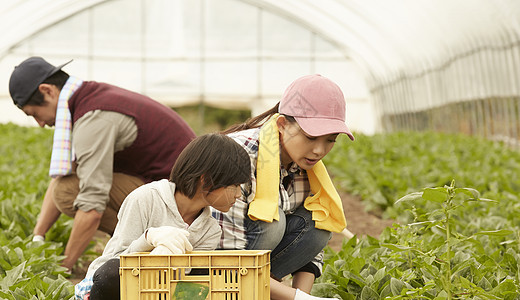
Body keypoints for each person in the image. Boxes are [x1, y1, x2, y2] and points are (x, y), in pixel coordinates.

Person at [8, 56, 196, 271]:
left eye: (35, 114)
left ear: (48, 91)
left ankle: (143, 245)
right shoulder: (87, 98)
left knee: (68, 192)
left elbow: (92, 206)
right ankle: (139, 242)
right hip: (170, 190)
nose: (40, 124)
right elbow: (65, 172)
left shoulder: (93, 118)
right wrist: (37, 237)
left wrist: (62, 271)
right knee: (69, 184)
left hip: (181, 204)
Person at [213, 74, 354, 300]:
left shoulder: (308, 167)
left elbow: (311, 249)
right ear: (282, 124)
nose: (319, 150)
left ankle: (259, 292)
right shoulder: (237, 157)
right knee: (272, 221)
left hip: (254, 268)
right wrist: (299, 299)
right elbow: (224, 256)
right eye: (310, 137)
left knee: (319, 222)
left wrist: (301, 296)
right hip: (213, 267)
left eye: (330, 140)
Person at [75, 133, 251, 300]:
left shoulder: (210, 230)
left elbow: (187, 285)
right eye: (234, 185)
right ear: (206, 180)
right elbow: (112, 266)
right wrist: (148, 238)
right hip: (112, 289)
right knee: (113, 271)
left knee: (209, 273)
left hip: (158, 292)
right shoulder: (146, 199)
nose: (238, 194)